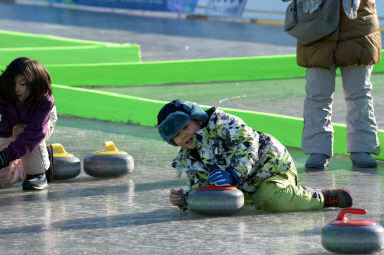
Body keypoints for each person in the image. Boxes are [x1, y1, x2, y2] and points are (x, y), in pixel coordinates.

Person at [157, 99, 353, 212]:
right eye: (176, 135)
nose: (183, 136)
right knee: (232, 202)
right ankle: (251, 195)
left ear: (197, 119)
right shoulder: (188, 158)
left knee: (269, 198)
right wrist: (187, 200)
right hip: (245, 185)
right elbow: (202, 187)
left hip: (272, 169)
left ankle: (321, 197)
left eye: (184, 127)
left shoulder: (223, 124)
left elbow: (247, 148)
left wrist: (233, 174)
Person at [288, 0, 381, 168]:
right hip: (316, 26)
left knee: (359, 94)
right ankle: (318, 149)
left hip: (358, 24)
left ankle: (362, 148)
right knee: (317, 94)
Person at [0, 57, 57, 190]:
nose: (16, 89)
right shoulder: (3, 91)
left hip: (35, 128)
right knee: (2, 180)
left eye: (23, 84)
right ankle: (21, 166)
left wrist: (5, 156)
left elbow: (34, 134)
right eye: (12, 84)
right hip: (7, 126)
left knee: (23, 132)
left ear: (35, 84)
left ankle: (37, 173)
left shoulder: (44, 101)